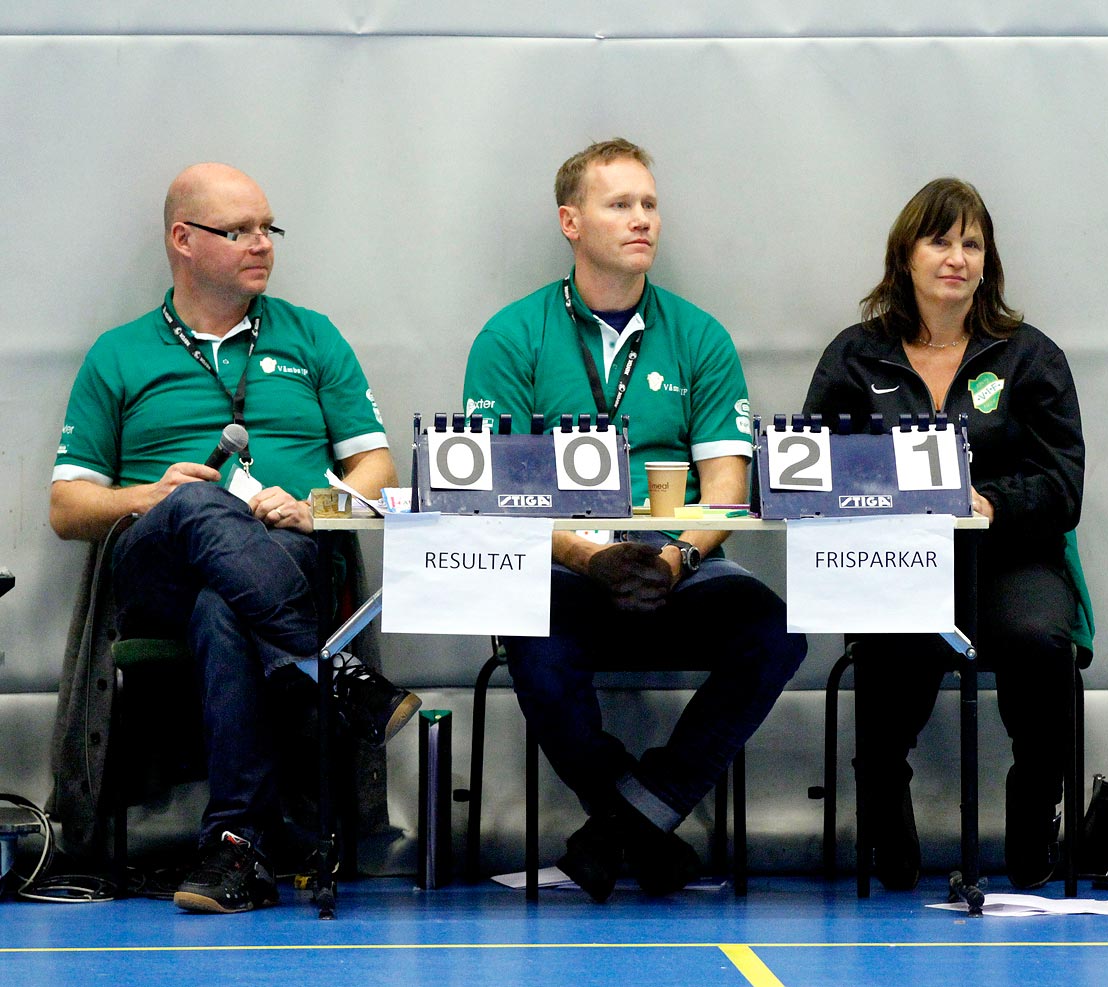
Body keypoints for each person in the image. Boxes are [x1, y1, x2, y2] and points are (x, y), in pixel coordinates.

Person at [49, 163, 419, 913]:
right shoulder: (119, 354)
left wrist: (319, 504)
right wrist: (150, 495)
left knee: (224, 605)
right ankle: (333, 669)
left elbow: (376, 465)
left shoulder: (312, 338)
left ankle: (234, 850)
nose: (262, 244)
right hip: (155, 569)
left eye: (267, 228)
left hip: (286, 552)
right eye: (239, 230)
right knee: (195, 507)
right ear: (183, 240)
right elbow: (66, 505)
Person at [463, 138, 807, 903]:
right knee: (529, 639)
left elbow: (726, 479)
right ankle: (645, 825)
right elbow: (490, 495)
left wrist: (680, 555)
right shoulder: (512, 336)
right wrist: (588, 558)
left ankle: (625, 823)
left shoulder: (698, 335)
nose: (642, 219)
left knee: (777, 633)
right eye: (620, 204)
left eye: (649, 203)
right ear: (570, 222)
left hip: (676, 564)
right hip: (563, 563)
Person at [803, 177, 1092, 891]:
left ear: (988, 260)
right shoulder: (854, 356)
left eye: (972, 242)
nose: (957, 257)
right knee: (887, 654)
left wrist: (989, 502)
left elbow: (1064, 486)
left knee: (1038, 641)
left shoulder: (1030, 356)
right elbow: (810, 471)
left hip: (1010, 561)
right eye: (940, 240)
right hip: (897, 566)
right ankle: (889, 838)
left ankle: (1034, 817)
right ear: (906, 254)